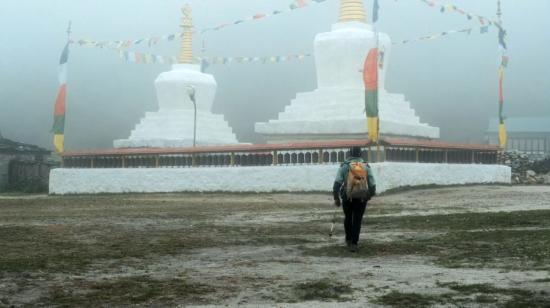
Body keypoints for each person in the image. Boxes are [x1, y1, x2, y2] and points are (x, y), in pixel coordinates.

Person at [332, 146, 376, 252]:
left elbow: (337, 183)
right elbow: (372, 184)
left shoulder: (345, 166)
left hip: (347, 197)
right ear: (360, 154)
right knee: (357, 219)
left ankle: (348, 239)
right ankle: (355, 242)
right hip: (361, 197)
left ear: (350, 154)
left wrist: (336, 198)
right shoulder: (366, 166)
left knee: (348, 217)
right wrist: (369, 195)